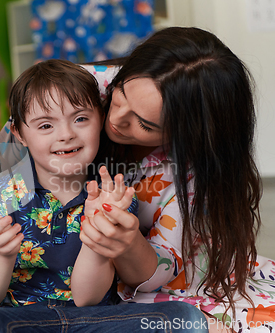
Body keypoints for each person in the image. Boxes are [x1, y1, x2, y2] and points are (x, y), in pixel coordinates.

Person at [0, 59, 209, 333]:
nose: (66, 135)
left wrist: (96, 233)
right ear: (19, 133)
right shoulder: (0, 193)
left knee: (187, 319)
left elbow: (88, 299)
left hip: (94, 322)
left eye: (81, 119)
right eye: (45, 126)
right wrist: (1, 253)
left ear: (100, 119)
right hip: (23, 322)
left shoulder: (114, 194)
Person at [79, 26, 274, 332]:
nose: (116, 119)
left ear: (186, 135)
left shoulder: (189, 175)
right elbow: (6, 153)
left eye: (144, 124)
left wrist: (127, 244)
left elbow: (158, 271)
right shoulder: (79, 86)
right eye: (119, 97)